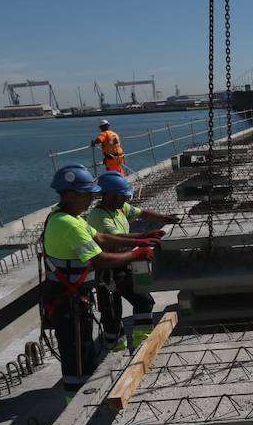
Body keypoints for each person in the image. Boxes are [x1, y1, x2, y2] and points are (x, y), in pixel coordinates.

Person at [41, 165, 158, 392]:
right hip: (66, 301)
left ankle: (81, 394)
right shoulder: (67, 224)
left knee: (83, 350)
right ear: (71, 195)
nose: (92, 199)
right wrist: (136, 253)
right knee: (77, 355)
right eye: (88, 195)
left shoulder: (67, 216)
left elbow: (102, 237)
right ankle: (74, 406)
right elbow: (99, 259)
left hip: (72, 298)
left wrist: (141, 237)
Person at [87, 171, 179, 351]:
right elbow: (115, 238)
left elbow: (141, 213)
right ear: (111, 195)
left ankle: (141, 343)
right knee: (112, 314)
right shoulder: (99, 216)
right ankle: (115, 350)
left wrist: (163, 218)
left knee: (144, 301)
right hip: (109, 269)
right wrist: (142, 238)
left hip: (126, 264)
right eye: (122, 196)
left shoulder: (120, 208)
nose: (126, 200)